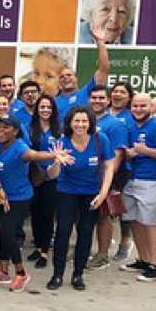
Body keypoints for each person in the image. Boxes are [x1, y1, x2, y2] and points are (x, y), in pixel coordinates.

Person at [0, 117, 65, 292]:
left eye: (6, 128)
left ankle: (21, 273)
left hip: (19, 197)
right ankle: (4, 271)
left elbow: (34, 155)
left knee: (8, 231)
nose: (0, 131)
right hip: (1, 195)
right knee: (3, 232)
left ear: (16, 132)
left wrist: (53, 155)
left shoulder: (20, 148)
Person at [45, 107, 116, 291]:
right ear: (69, 123)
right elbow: (52, 174)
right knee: (63, 231)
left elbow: (109, 167)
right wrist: (57, 161)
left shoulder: (101, 140)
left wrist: (102, 193)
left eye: (84, 121)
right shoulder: (61, 142)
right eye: (77, 121)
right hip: (66, 191)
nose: (80, 125)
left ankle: (78, 274)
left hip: (91, 192)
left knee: (85, 233)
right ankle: (57, 274)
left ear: (90, 123)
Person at [120, 92, 156, 282]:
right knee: (134, 220)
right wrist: (129, 155)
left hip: (152, 181)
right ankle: (143, 259)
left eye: (143, 106)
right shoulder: (130, 126)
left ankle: (155, 265)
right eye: (135, 106)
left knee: (149, 222)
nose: (139, 109)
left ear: (151, 107)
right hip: (132, 179)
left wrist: (145, 151)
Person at [89, 86, 131, 270]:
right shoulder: (85, 121)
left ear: (107, 101)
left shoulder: (115, 124)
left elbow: (117, 155)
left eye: (101, 98)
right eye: (93, 97)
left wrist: (107, 179)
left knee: (104, 215)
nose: (97, 101)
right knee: (83, 214)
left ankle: (103, 254)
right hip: (85, 176)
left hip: (106, 175)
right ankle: (85, 249)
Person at [26, 94, 61, 269]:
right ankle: (38, 246)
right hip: (34, 175)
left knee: (48, 214)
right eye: (42, 107)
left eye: (48, 107)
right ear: (37, 109)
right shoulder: (30, 128)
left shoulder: (60, 129)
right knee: (36, 213)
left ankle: (45, 252)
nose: (45, 110)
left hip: (53, 177)